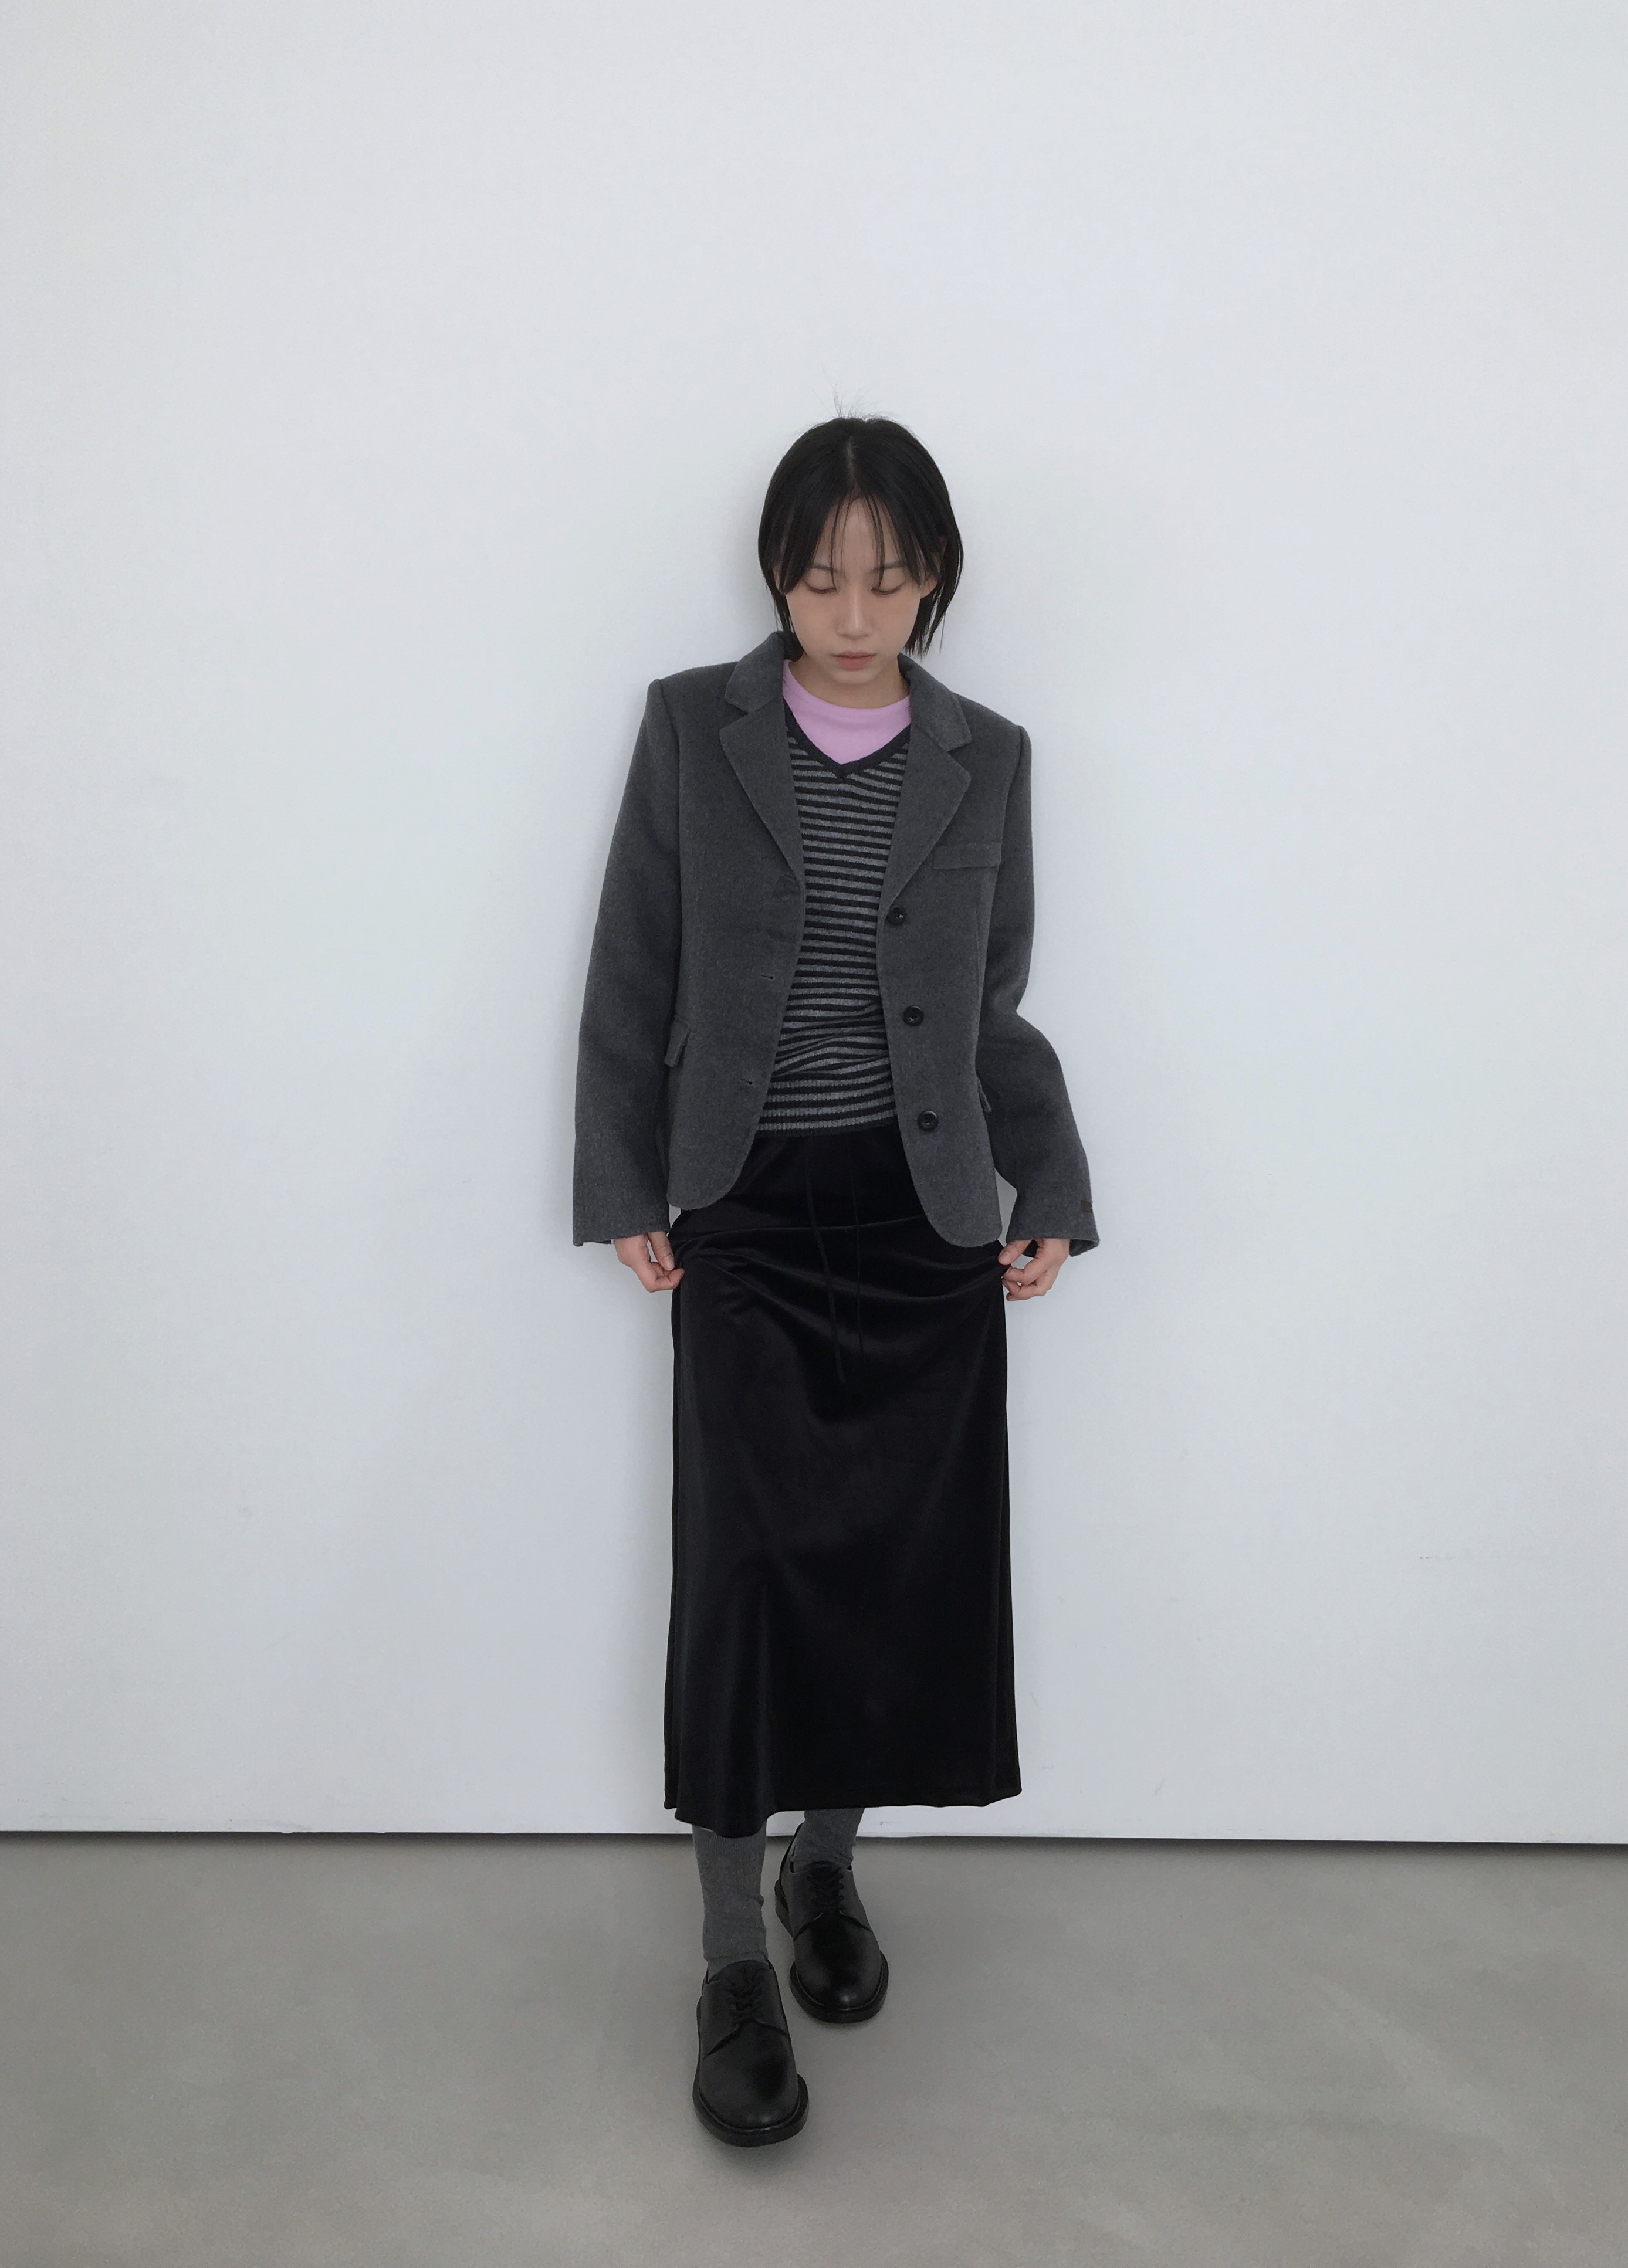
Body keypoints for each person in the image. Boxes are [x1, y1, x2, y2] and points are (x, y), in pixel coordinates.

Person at [572, 413, 1098, 2145]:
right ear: (776, 578)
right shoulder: (691, 728)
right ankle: (732, 1958)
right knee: (745, 1582)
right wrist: (624, 1183)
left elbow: (994, 1003)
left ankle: (826, 1868)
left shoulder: (986, 756)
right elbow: (633, 969)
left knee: (889, 1577)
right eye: (819, 578)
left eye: (888, 578)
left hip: (920, 1220)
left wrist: (1053, 1184)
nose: (853, 613)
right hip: (743, 1209)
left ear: (934, 579)